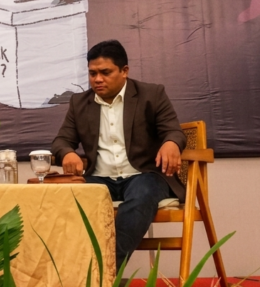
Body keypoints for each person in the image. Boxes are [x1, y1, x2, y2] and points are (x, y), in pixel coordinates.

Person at [51, 40, 186, 271]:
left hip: (142, 175)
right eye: (92, 73)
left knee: (141, 195)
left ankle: (105, 273)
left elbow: (173, 130)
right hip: (98, 178)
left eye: (105, 72)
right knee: (64, 199)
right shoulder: (79, 102)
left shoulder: (151, 94)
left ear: (124, 71)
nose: (97, 79)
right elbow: (61, 141)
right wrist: (67, 153)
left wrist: (172, 143)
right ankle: (69, 272)